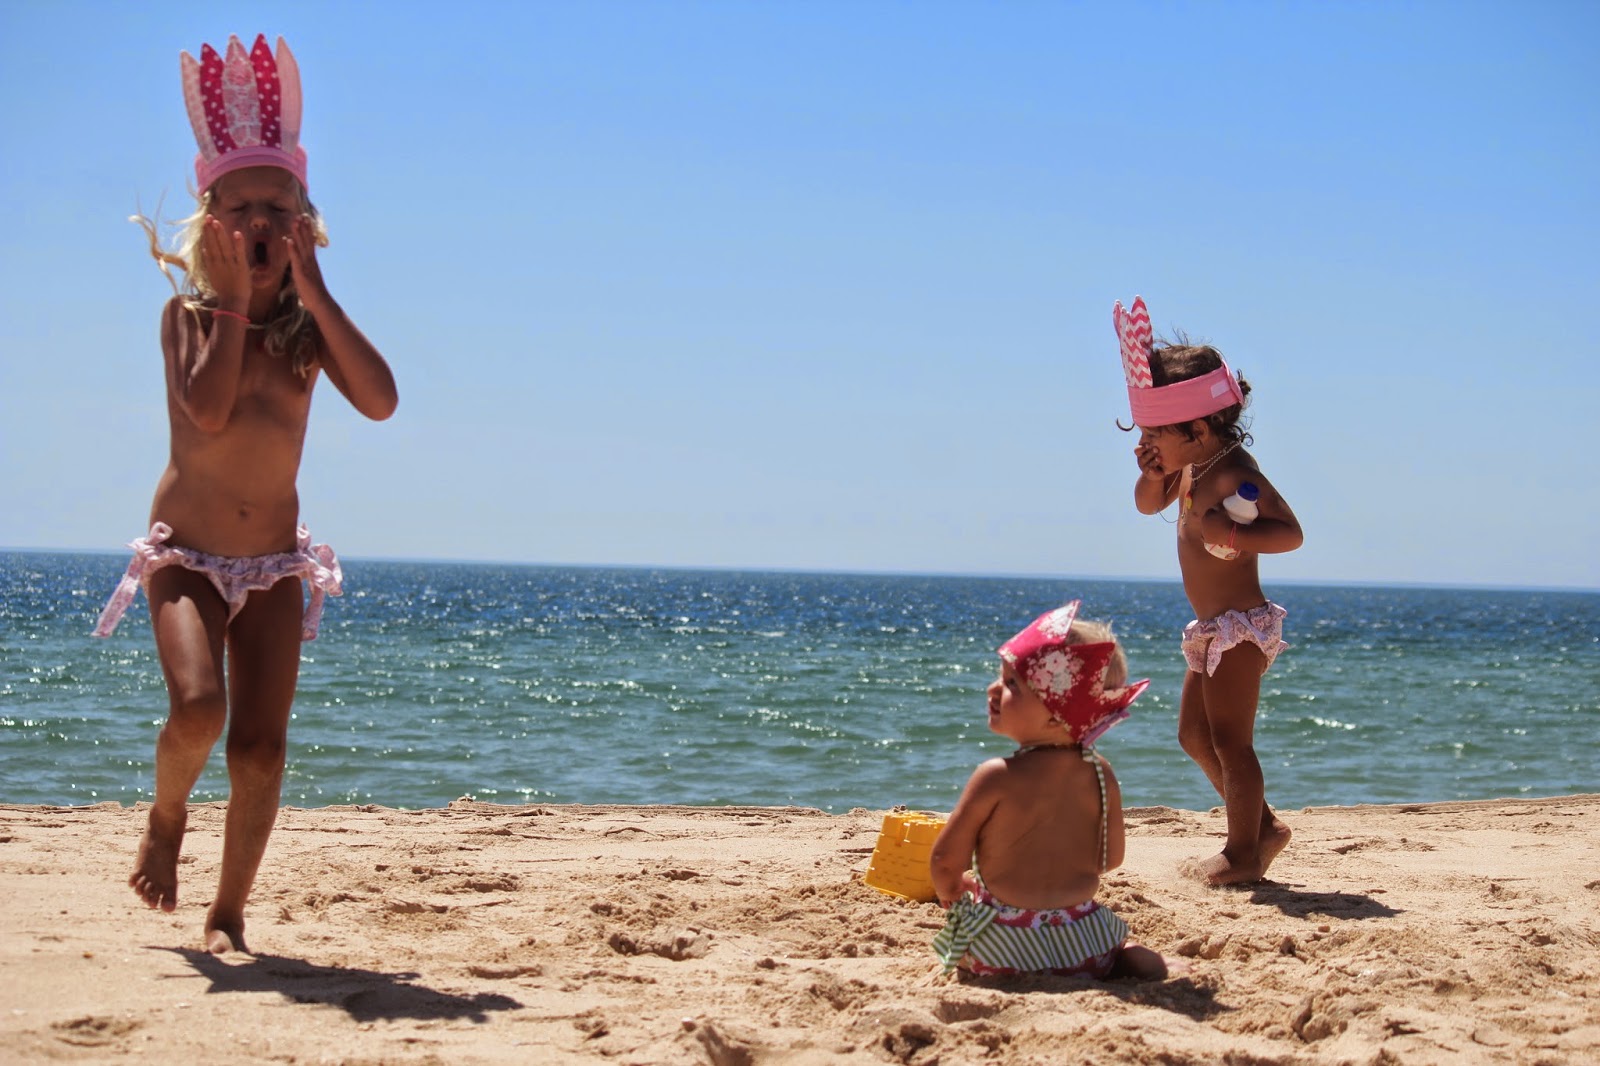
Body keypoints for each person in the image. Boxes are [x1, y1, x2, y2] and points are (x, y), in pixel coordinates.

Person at [93, 34, 398, 953]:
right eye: (240, 209)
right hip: (186, 559)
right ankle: (167, 814)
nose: (259, 221)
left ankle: (228, 912)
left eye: (278, 207)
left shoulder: (307, 332)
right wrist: (230, 303)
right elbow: (209, 411)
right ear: (210, 221)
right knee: (198, 709)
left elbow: (381, 401)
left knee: (261, 748)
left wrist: (319, 292)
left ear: (302, 220)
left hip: (271, 567)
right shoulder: (186, 318)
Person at [1113, 295, 1303, 886]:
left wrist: (1230, 532)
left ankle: (1243, 852)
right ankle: (1262, 828)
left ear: (1197, 428)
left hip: (1240, 627)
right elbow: (1147, 505)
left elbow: (1290, 534)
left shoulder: (1235, 474)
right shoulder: (1191, 464)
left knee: (1230, 742)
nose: (1149, 442)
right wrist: (1153, 472)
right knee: (1193, 735)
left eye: (1155, 433)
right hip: (1210, 629)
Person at [930, 603, 1169, 980]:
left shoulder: (995, 776)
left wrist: (953, 890)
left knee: (962, 935)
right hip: (1084, 942)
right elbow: (1110, 859)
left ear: (1059, 715)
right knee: (1117, 945)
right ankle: (1130, 959)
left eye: (1012, 684)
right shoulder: (1100, 772)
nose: (993, 689)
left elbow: (945, 859)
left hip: (1003, 946)